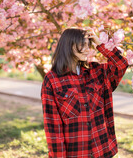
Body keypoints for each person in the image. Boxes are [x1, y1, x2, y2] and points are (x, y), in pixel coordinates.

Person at [41, 28, 128, 158]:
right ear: (68, 46)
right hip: (76, 153)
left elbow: (121, 64)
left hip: (102, 150)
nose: (87, 49)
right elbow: (53, 127)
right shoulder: (52, 80)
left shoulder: (98, 71)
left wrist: (100, 44)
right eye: (82, 45)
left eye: (88, 45)